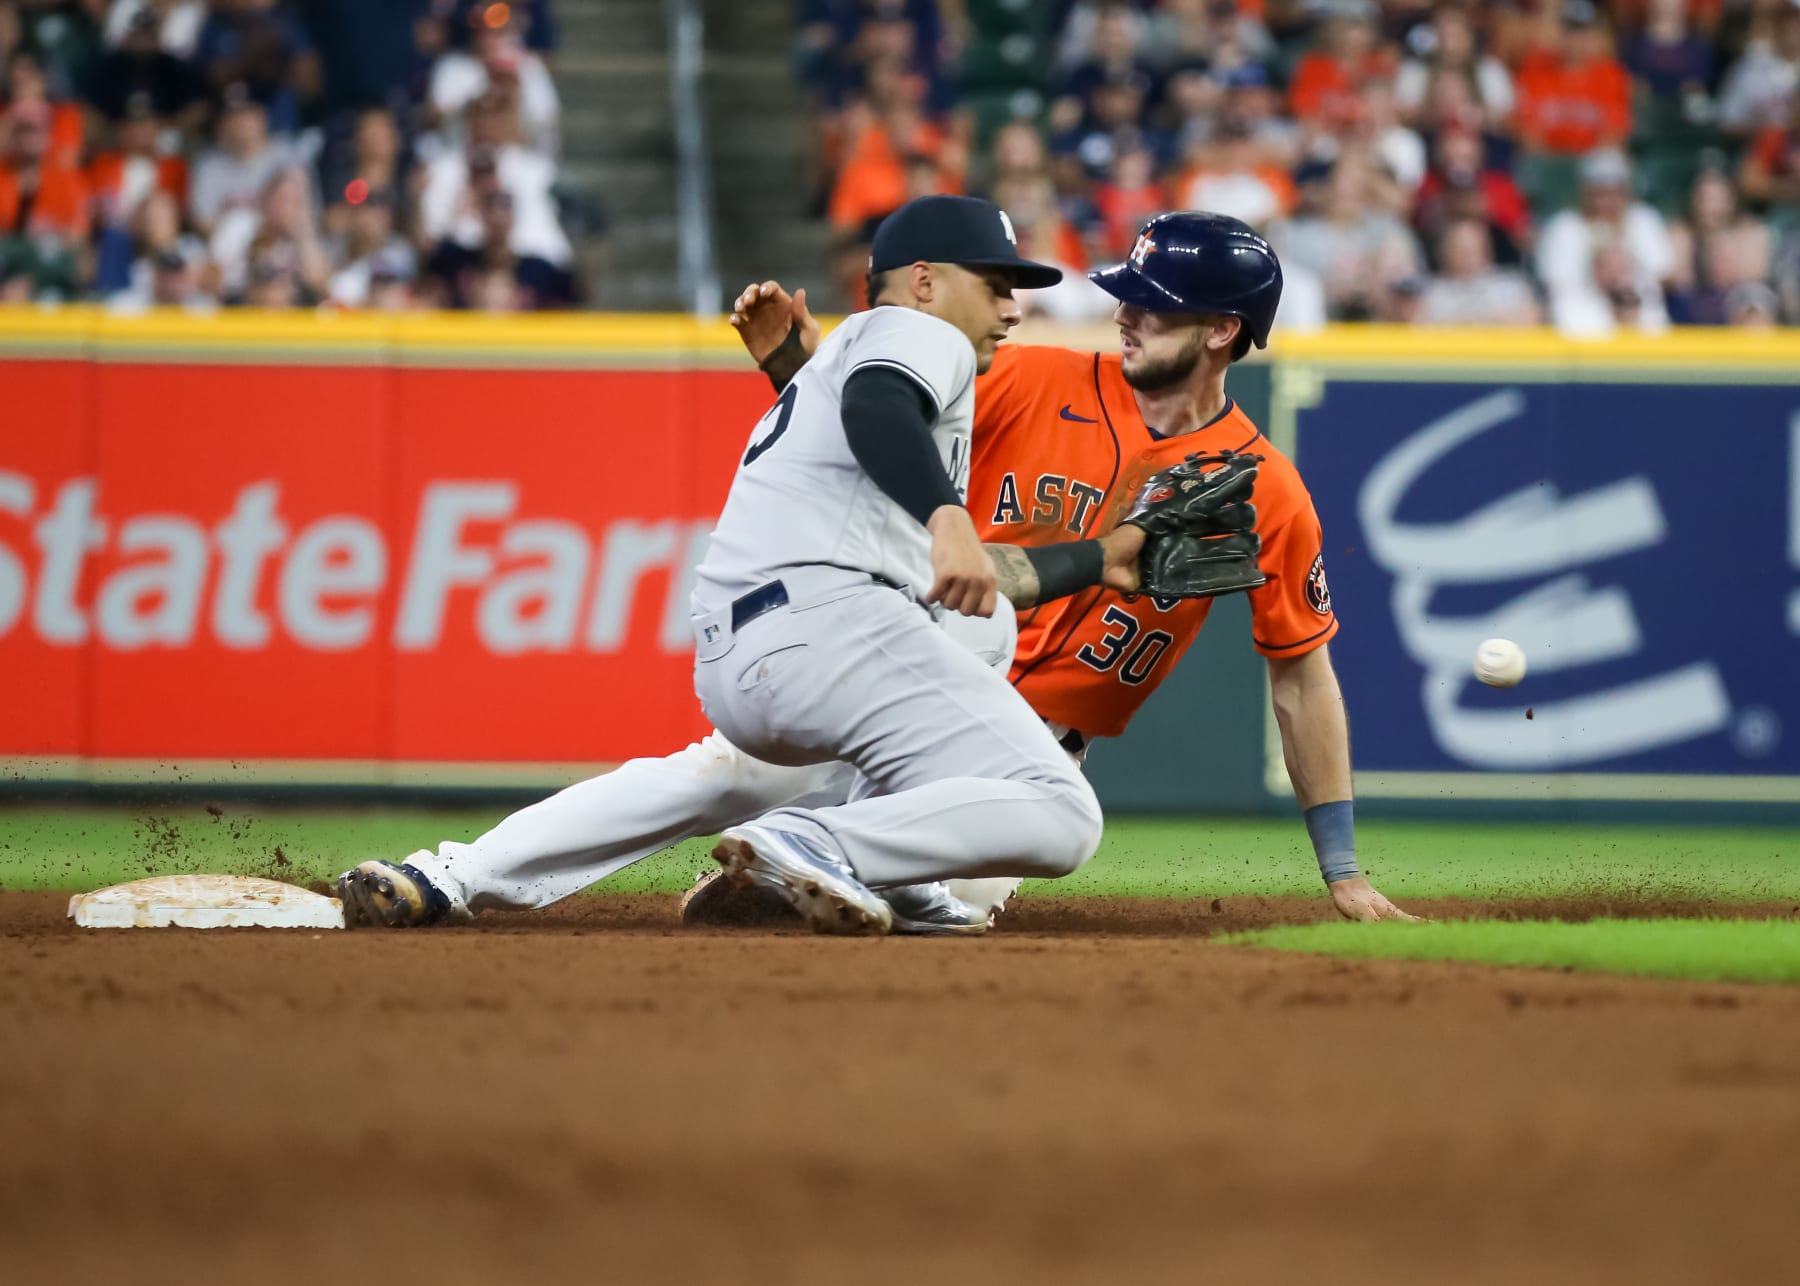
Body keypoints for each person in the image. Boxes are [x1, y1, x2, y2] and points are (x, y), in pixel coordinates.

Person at [335, 207, 1419, 933]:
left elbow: (1299, 673)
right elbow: (877, 423)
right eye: (1126, 293)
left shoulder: (1263, 488)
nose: (1126, 309)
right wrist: (800, 371)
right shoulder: (1034, 381)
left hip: (1013, 741)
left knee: (944, 897)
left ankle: (797, 871)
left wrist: (1342, 866)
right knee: (725, 773)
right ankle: (460, 871)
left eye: (1155, 301)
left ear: (1225, 330)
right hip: (904, 666)